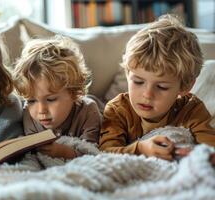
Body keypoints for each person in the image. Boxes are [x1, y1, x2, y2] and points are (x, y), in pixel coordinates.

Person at [99, 15, 215, 161]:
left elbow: (210, 149)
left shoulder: (192, 109)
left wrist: (197, 155)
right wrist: (140, 149)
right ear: (128, 74)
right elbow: (104, 153)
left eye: (161, 87)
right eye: (138, 82)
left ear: (185, 86)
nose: (147, 95)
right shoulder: (118, 110)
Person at [13, 36, 102, 159]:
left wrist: (65, 152)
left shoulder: (88, 112)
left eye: (50, 99)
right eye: (31, 100)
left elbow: (94, 154)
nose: (41, 110)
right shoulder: (27, 114)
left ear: (74, 92)